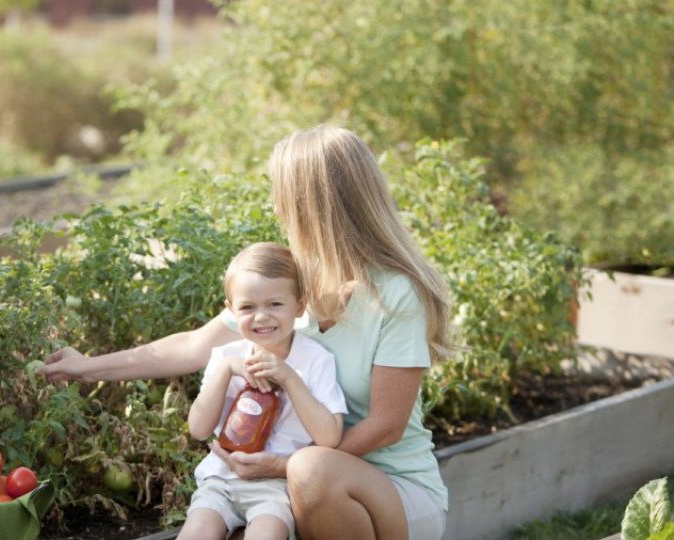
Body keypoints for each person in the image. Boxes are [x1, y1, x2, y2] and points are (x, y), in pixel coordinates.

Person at [39, 124, 453, 540]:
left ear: (311, 203)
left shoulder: (395, 294)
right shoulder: (286, 286)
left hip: (390, 492)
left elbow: (386, 425)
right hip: (291, 486)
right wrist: (85, 367)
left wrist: (286, 464)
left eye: (281, 193)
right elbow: (191, 347)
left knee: (311, 471)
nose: (276, 207)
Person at [180, 242, 347, 540]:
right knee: (196, 532)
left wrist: (289, 378)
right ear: (231, 310)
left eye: (275, 304)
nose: (261, 317)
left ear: (298, 306)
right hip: (221, 478)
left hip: (277, 485)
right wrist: (226, 370)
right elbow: (198, 428)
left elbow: (329, 437)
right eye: (248, 307)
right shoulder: (225, 357)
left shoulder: (315, 359)